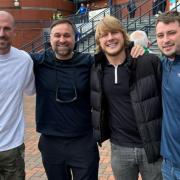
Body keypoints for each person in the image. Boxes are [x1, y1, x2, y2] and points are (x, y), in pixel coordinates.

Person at [30, 18, 144, 180]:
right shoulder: (38, 62)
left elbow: (116, 54)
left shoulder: (89, 62)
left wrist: (135, 47)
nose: (62, 40)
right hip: (51, 142)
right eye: (57, 35)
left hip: (83, 141)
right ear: (50, 39)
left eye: (67, 35)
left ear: (75, 37)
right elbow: (10, 56)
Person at [91, 15, 163, 180]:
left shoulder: (148, 61)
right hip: (119, 148)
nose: (110, 38)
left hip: (152, 147)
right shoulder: (96, 69)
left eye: (114, 32)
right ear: (99, 42)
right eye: (104, 35)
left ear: (123, 35)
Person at [0, 11, 35, 180]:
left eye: (6, 29)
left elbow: (31, 90)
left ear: (14, 31)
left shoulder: (24, 60)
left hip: (11, 147)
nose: (1, 34)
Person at [155, 11, 180, 180]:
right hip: (168, 165)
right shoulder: (162, 64)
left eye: (172, 33)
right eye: (160, 35)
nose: (165, 40)